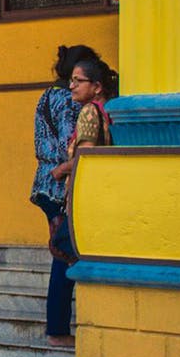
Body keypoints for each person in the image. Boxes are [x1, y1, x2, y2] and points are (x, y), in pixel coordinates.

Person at [31, 45, 99, 348]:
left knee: (63, 252)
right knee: (65, 254)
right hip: (60, 183)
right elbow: (70, 145)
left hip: (45, 182)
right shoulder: (67, 101)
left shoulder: (48, 95)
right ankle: (57, 329)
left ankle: (58, 326)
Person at [49, 56, 118, 279]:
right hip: (105, 191)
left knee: (65, 247)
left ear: (96, 87)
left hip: (85, 195)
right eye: (71, 80)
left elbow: (86, 157)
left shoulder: (89, 111)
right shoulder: (109, 109)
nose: (71, 86)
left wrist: (61, 170)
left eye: (78, 81)